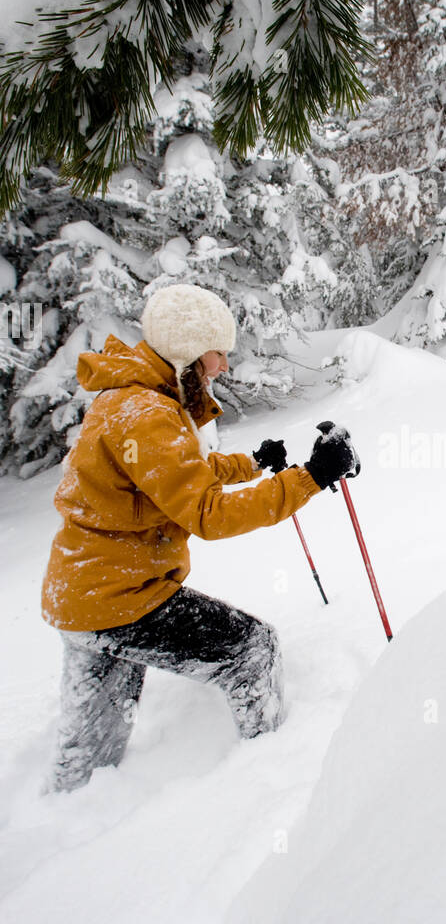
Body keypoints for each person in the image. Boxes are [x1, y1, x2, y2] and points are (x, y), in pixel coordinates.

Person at [40, 282, 359, 793]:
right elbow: (208, 513)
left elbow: (177, 473)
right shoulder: (146, 414)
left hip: (82, 595)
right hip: (122, 597)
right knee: (252, 650)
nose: (224, 367)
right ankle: (274, 772)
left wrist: (252, 464)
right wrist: (312, 477)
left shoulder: (132, 399)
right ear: (189, 352)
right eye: (218, 354)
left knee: (91, 758)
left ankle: (66, 818)